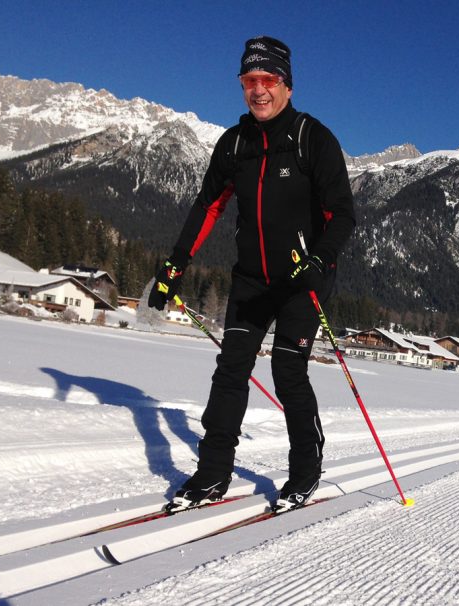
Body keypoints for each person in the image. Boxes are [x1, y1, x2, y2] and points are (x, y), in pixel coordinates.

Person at [148, 36, 355, 513]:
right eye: (249, 81)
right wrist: (175, 265)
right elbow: (208, 207)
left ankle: (305, 470)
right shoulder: (235, 144)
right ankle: (212, 473)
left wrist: (320, 261)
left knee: (287, 371)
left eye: (268, 80)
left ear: (286, 84)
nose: (258, 90)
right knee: (231, 368)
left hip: (303, 279)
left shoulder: (312, 138)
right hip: (252, 279)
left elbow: (342, 214)